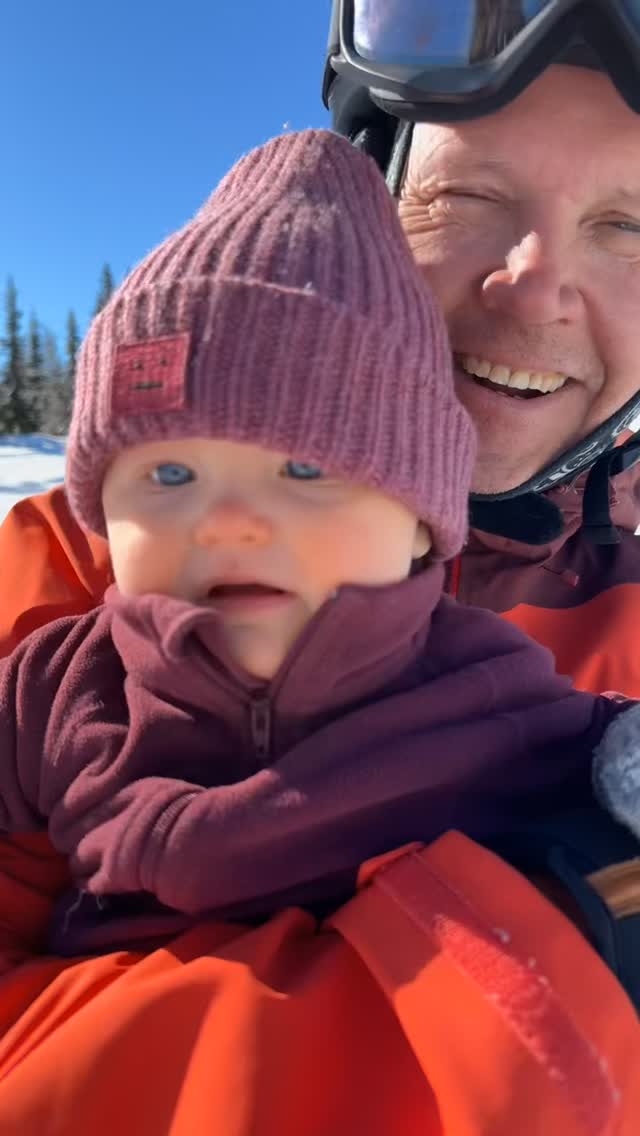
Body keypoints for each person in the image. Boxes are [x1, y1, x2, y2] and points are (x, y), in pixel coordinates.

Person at [0, 126, 637, 1136]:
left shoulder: (476, 694)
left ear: (420, 515)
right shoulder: (57, 661)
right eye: (467, 196)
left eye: (625, 224)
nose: (229, 520)